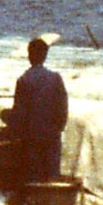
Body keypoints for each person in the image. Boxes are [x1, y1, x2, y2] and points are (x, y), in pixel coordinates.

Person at [12, 37, 68, 184]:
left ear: (29, 56)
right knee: (52, 175)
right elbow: (62, 108)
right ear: (45, 56)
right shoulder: (55, 78)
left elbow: (19, 113)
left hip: (31, 137)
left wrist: (18, 132)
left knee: (33, 176)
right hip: (52, 136)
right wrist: (58, 129)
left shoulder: (23, 80)